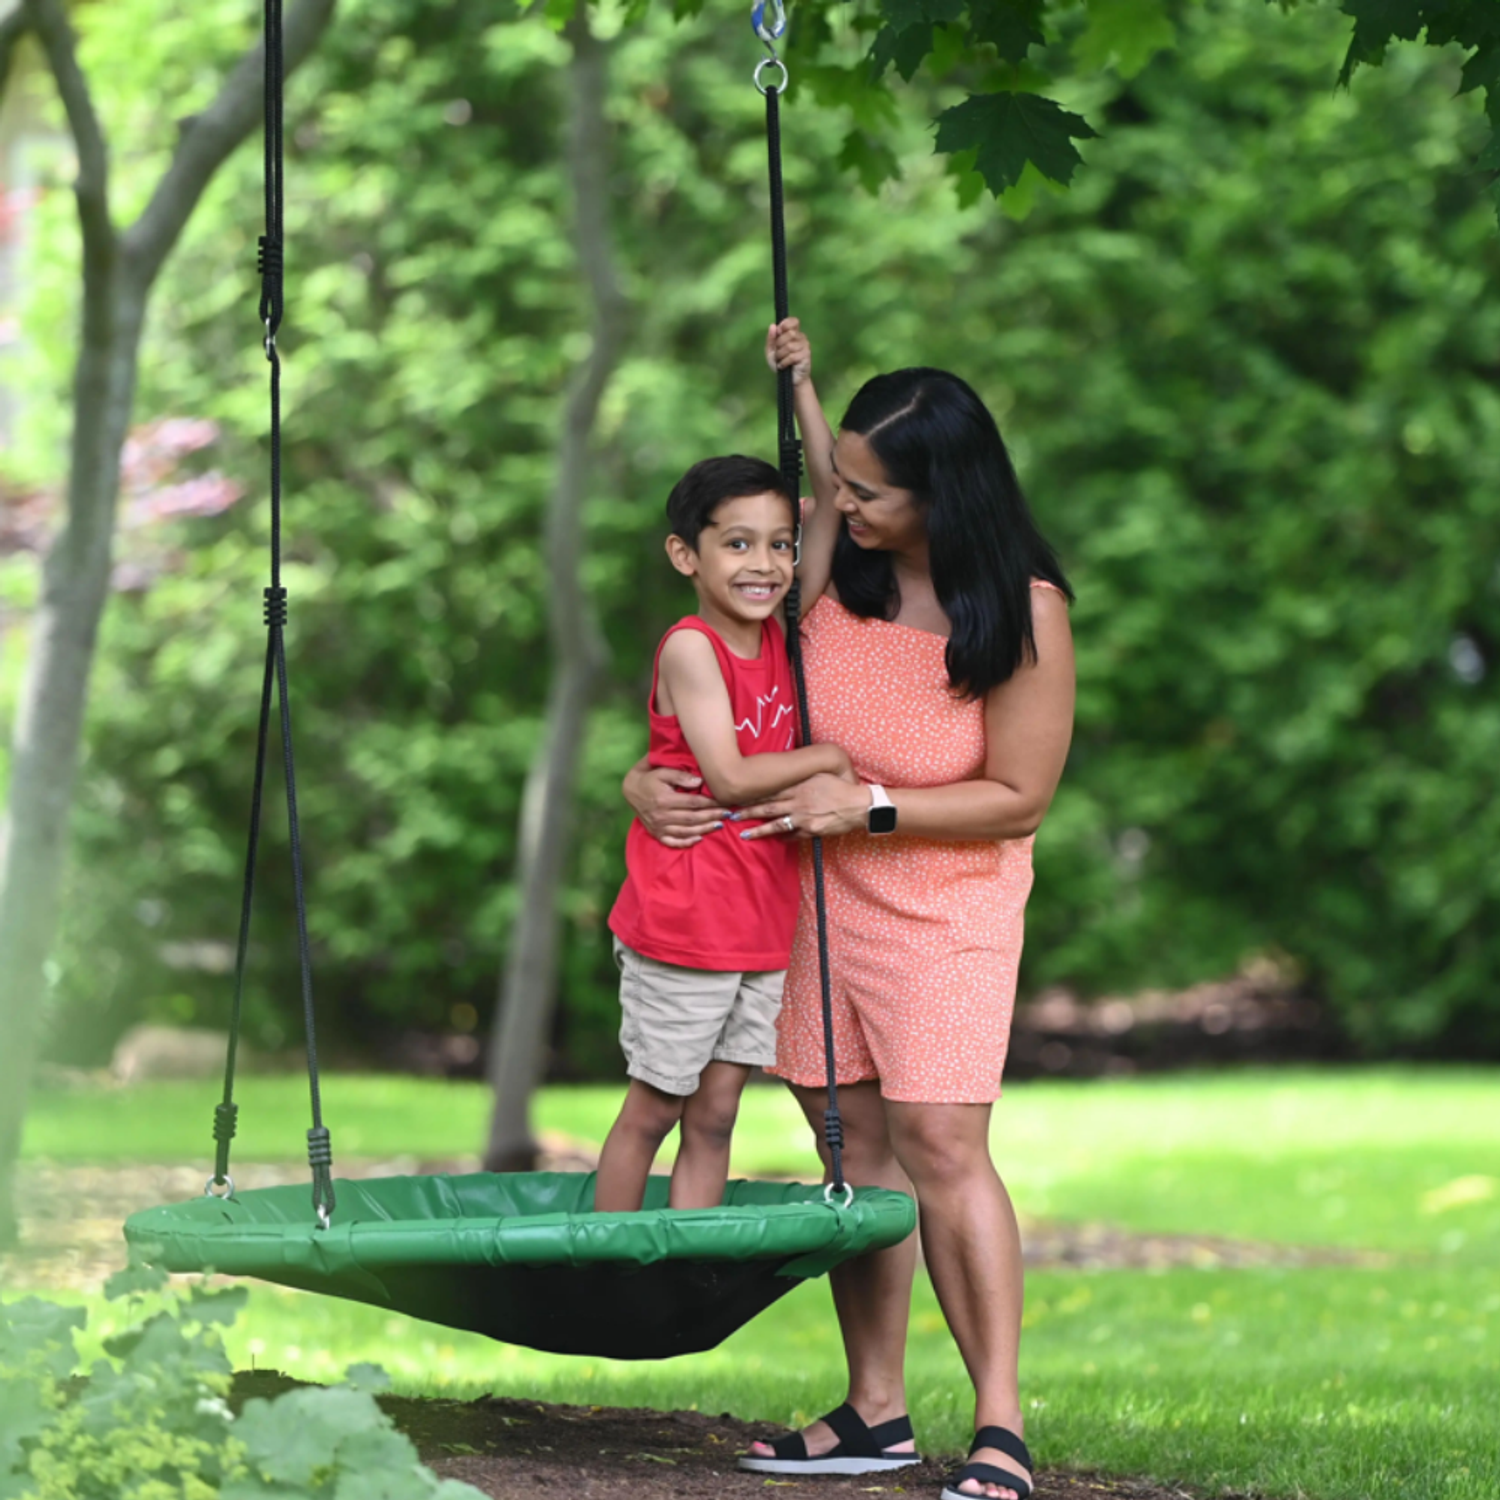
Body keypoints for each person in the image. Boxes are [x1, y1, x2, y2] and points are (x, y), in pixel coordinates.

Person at [623, 322, 1075, 1500]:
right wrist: (644, 780)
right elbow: (721, 698)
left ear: (943, 492)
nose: (846, 500)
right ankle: (875, 1408)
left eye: (870, 489)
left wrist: (869, 810)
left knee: (940, 1145)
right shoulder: (836, 575)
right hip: (807, 898)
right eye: (847, 479)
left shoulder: (1018, 610)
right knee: (850, 1152)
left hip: (945, 904)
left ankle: (1000, 1429)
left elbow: (1018, 797)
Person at [593, 454, 855, 1214]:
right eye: (737, 544)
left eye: (780, 544)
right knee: (654, 1110)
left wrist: (801, 384)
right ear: (686, 555)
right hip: (686, 920)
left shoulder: (780, 634)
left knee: (715, 1117)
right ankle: (610, 1269)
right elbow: (732, 777)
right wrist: (830, 757)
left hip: (759, 923)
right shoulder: (692, 648)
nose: (764, 564)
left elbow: (832, 506)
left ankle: (682, 1268)